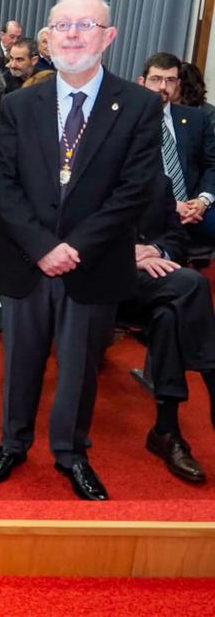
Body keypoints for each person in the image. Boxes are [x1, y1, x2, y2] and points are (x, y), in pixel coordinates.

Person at [0, 0, 162, 501]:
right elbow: (3, 182)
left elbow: (136, 190)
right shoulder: (18, 104)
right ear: (48, 37)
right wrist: (42, 246)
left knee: (80, 368)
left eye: (86, 25)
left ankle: (71, 452)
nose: (73, 34)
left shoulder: (141, 105)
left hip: (94, 262)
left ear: (109, 36)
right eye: (63, 26)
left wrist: (73, 246)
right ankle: (13, 444)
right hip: (26, 259)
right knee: (19, 363)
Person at [121, 172, 215, 482]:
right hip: (102, 281)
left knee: (169, 316)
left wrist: (157, 251)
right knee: (194, 284)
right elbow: (70, 235)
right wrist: (129, 257)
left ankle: (166, 429)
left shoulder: (157, 180)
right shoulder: (86, 171)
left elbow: (177, 240)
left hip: (156, 283)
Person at [138, 52, 215, 241]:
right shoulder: (127, 120)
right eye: (156, 79)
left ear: (178, 84)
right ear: (142, 82)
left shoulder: (197, 118)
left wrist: (203, 200)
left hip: (195, 209)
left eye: (170, 80)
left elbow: (212, 164)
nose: (163, 87)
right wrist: (170, 204)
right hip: (148, 210)